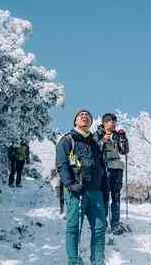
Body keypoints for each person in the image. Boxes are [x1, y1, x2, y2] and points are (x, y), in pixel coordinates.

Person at [56, 109, 106, 265]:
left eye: (88, 116)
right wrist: (70, 184)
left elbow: (102, 167)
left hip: (96, 193)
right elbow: (62, 164)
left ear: (91, 122)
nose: (84, 117)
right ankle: (74, 261)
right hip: (76, 192)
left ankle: (98, 261)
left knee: (99, 229)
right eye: (80, 116)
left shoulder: (95, 144)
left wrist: (105, 190)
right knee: (73, 229)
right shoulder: (67, 140)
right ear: (75, 121)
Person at [96, 113, 129, 235]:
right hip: (104, 167)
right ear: (105, 123)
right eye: (111, 121)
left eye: (115, 121)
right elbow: (94, 149)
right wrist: (103, 140)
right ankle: (103, 223)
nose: (114, 124)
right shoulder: (98, 134)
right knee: (105, 195)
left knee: (116, 195)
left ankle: (115, 223)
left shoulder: (117, 135)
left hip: (117, 168)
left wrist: (123, 138)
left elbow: (124, 151)